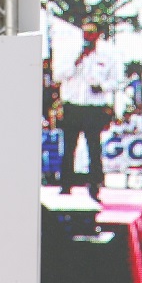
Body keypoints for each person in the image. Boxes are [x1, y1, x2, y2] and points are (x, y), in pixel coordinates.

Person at [56, 19, 120, 201]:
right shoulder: (70, 51)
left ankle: (94, 188)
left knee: (94, 149)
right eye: (85, 32)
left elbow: (116, 80)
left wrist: (103, 86)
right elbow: (59, 75)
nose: (87, 36)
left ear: (98, 34)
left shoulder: (108, 55)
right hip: (73, 106)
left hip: (94, 107)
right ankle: (65, 185)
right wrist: (77, 60)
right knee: (69, 148)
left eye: (91, 32)